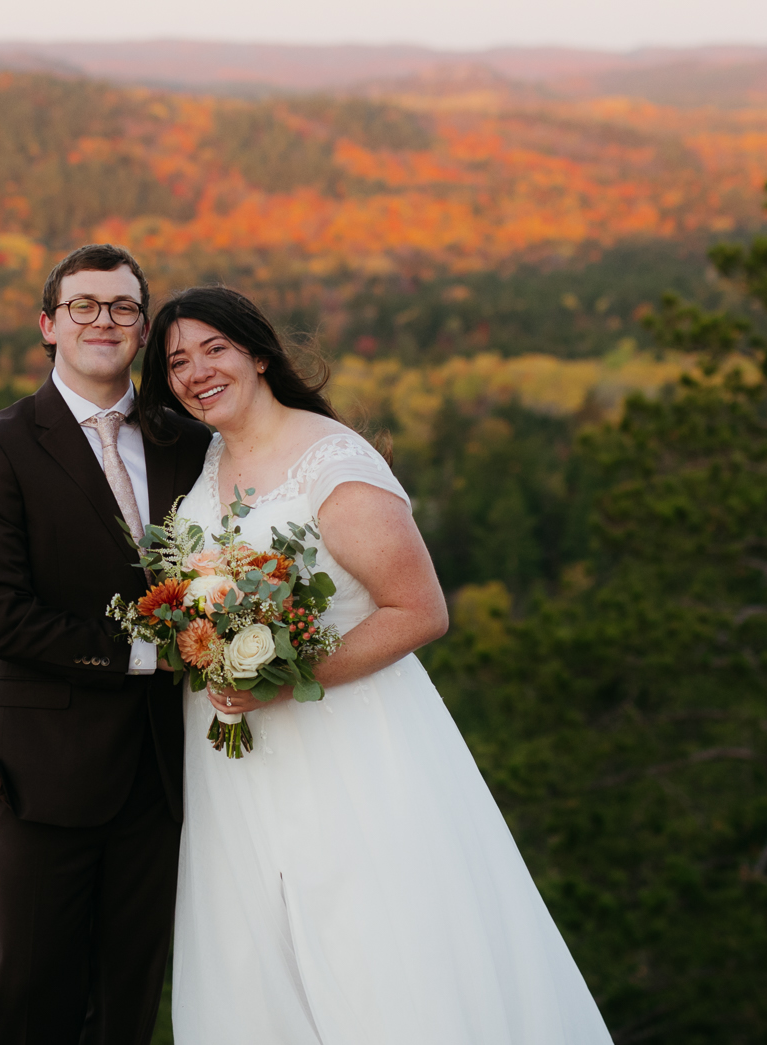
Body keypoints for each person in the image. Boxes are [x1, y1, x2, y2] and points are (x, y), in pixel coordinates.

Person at [138, 285, 614, 1045]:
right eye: (177, 361)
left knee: (369, 945)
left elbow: (421, 609)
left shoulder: (331, 458)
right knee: (258, 958)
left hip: (346, 749)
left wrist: (283, 678)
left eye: (213, 349)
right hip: (234, 763)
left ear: (259, 354)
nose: (195, 371)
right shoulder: (212, 459)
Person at [0, 245, 214, 1045]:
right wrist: (148, 653)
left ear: (141, 331)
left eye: (124, 307)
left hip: (165, 773)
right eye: (85, 305)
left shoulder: (187, 443)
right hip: (44, 773)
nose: (105, 320)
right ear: (49, 326)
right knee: (29, 999)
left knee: (127, 1005)